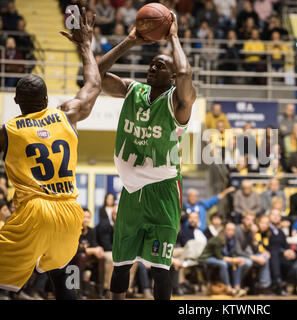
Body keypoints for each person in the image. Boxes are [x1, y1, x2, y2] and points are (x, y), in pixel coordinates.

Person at [0, 8, 100, 299]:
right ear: (46, 100)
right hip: (70, 213)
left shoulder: (9, 130)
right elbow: (93, 85)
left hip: (34, 211)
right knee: (63, 270)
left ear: (16, 101)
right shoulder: (66, 115)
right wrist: (84, 45)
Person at [98, 13, 196, 300]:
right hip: (130, 192)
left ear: (172, 75)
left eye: (161, 65)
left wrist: (174, 37)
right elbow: (93, 75)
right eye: (152, 63)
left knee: (160, 269)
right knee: (121, 264)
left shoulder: (178, 102)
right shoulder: (133, 91)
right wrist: (128, 42)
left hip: (163, 191)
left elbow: (187, 77)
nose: (153, 67)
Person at [198, 222, 247, 297]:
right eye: (229, 230)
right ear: (225, 230)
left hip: (217, 258)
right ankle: (229, 288)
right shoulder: (219, 239)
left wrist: (236, 260)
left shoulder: (232, 240)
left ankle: (237, 287)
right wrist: (233, 260)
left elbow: (231, 254)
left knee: (236, 263)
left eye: (233, 230)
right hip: (206, 258)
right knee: (223, 264)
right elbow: (219, 257)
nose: (231, 232)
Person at [234, 211, 271, 293]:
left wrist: (254, 234)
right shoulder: (237, 230)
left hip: (248, 255)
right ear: (242, 220)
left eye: (252, 220)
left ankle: (264, 286)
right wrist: (253, 257)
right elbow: (237, 251)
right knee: (248, 262)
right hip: (237, 255)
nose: (250, 222)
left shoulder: (250, 231)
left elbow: (255, 248)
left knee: (264, 257)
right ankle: (238, 284)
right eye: (248, 219)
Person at [73, 208, 105, 298]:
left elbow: (94, 244)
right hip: (76, 259)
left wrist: (99, 248)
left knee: (101, 258)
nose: (86, 219)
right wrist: (91, 250)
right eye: (84, 217)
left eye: (88, 217)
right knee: (82, 256)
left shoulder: (91, 231)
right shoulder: (75, 231)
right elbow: (76, 249)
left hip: (88, 258)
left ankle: (99, 290)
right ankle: (79, 291)